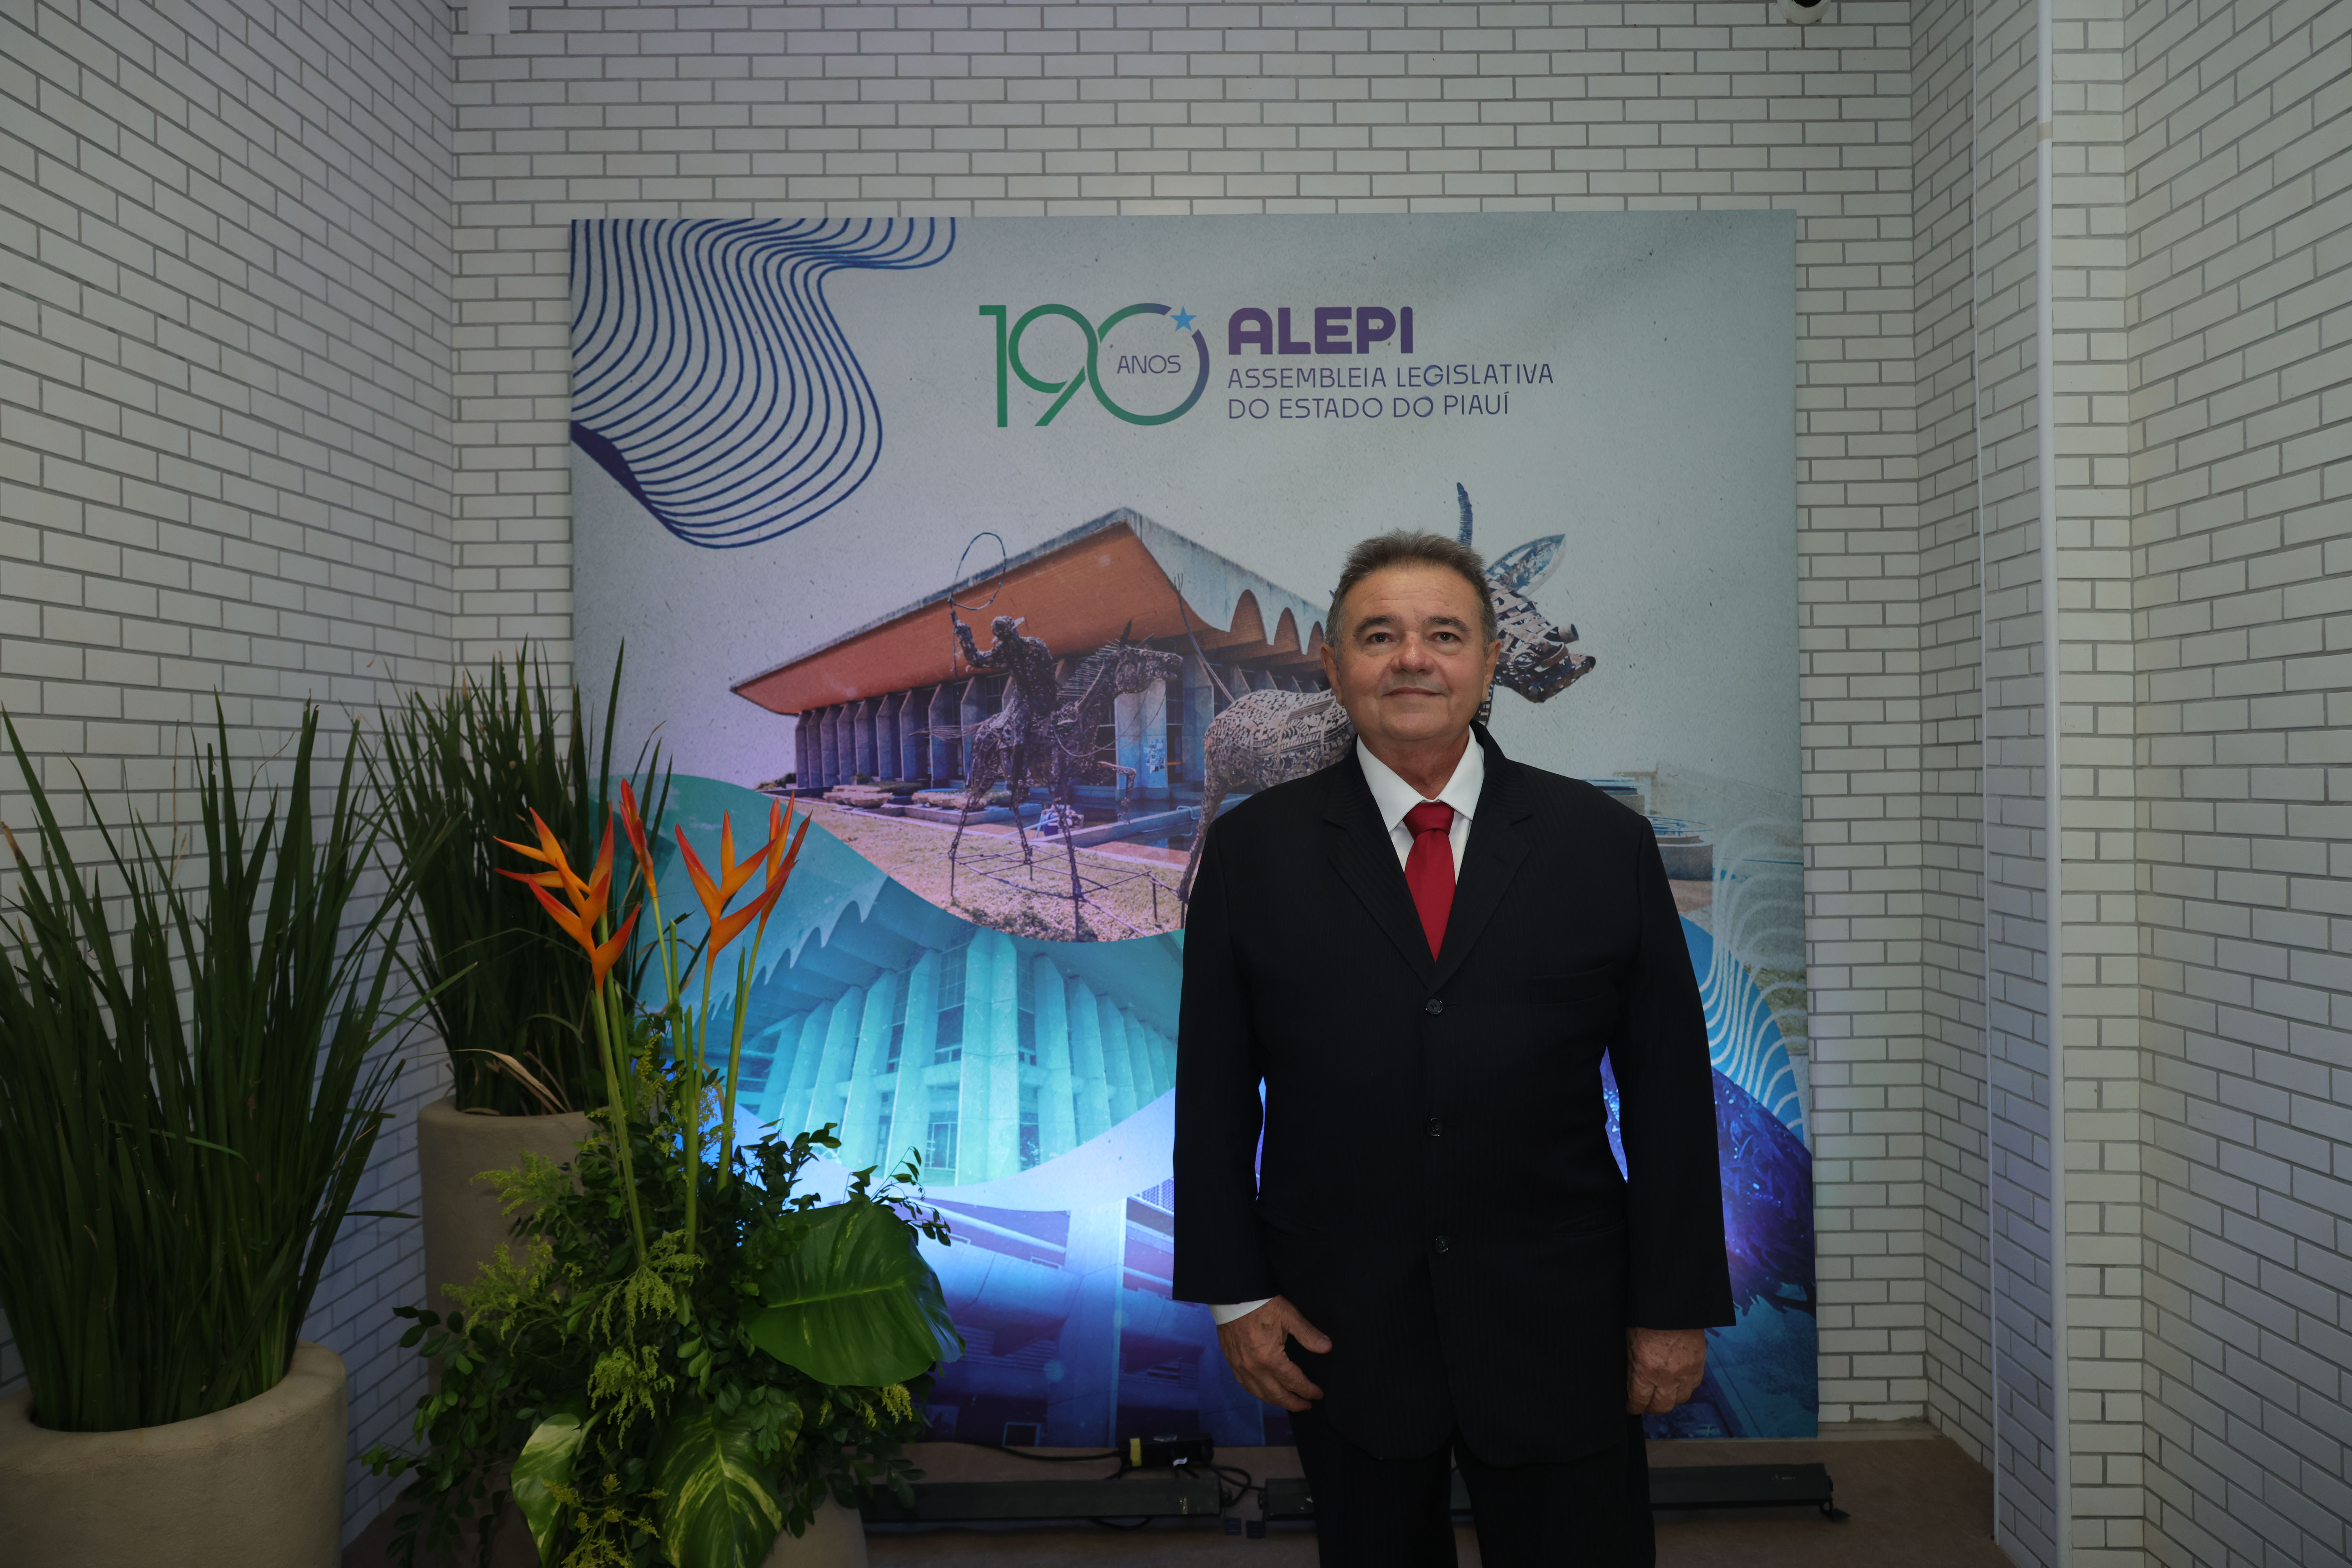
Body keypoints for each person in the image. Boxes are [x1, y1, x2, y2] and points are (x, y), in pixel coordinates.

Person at [1172, 531, 1734, 1567]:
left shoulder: (1602, 843)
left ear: (1487, 662)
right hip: (1341, 1321)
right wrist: (1236, 1293)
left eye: (1443, 635)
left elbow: (1667, 1089)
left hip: (1561, 1316)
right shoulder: (1254, 853)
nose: (1412, 660)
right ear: (1333, 665)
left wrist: (1674, 1305)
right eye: (1378, 636)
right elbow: (1212, 1089)